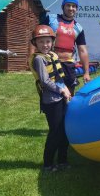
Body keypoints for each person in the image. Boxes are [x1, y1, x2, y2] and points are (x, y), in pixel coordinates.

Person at [29, 25, 72, 172]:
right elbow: (45, 81)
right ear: (35, 44)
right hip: (51, 101)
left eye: (47, 41)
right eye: (41, 42)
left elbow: (59, 76)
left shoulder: (52, 55)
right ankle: (48, 164)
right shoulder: (39, 59)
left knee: (64, 130)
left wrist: (65, 88)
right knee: (55, 132)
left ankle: (62, 160)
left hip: (60, 96)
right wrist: (61, 91)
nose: (45, 45)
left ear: (52, 42)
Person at [41, 0, 90, 95]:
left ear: (76, 9)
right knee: (51, 93)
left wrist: (86, 73)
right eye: (68, 5)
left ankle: (67, 110)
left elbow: (82, 50)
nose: (71, 8)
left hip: (68, 66)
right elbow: (37, 37)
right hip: (51, 62)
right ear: (63, 7)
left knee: (69, 95)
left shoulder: (78, 28)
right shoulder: (51, 20)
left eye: (74, 6)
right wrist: (32, 57)